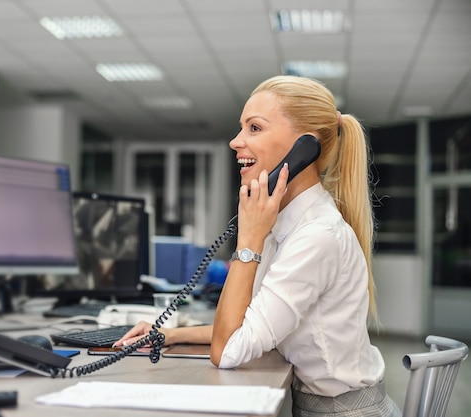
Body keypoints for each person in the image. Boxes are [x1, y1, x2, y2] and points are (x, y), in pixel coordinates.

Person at [113, 75, 401, 416]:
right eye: (241, 128)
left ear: (302, 149)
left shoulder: (317, 236)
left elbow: (228, 351)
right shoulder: (288, 224)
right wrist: (170, 334)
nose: (236, 142)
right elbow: (246, 327)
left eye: (254, 128)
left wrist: (248, 240)